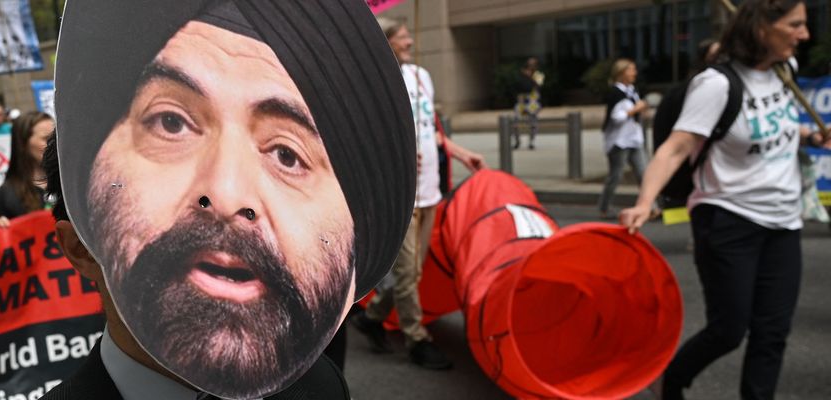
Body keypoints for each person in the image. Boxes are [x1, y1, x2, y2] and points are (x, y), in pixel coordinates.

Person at [48, 0, 417, 397]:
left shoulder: (321, 387)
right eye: (172, 123)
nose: (225, 194)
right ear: (79, 248)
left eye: (286, 155)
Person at [620, 1, 828, 398]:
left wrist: (811, 136)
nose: (804, 34)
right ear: (761, 27)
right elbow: (676, 149)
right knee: (729, 331)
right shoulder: (717, 84)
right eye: (795, 25)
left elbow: (770, 128)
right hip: (729, 219)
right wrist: (645, 202)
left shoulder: (787, 71)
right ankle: (673, 378)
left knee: (772, 334)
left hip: (784, 221)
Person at [351, 17, 487, 371]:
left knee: (415, 272)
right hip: (400, 196)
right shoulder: (374, 83)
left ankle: (372, 316)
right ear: (386, 43)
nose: (410, 41)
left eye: (410, 35)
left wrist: (459, 152)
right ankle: (417, 339)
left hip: (430, 190)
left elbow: (431, 130)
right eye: (402, 37)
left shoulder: (420, 76)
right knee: (409, 273)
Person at [597, 59, 649, 219]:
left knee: (644, 173)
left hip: (634, 138)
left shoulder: (632, 91)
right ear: (621, 73)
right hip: (619, 141)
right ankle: (605, 207)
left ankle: (650, 206)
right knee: (616, 175)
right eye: (630, 70)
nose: (634, 73)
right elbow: (616, 118)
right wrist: (635, 110)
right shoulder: (615, 93)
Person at [0, 111, 54, 225]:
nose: (55, 144)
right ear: (23, 144)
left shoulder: (73, 184)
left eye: (57, 137)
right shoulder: (6, 196)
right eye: (47, 139)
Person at [513, 57, 543, 150]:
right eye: (529, 64)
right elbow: (517, 85)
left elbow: (538, 85)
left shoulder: (539, 75)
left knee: (533, 122)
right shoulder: (522, 73)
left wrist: (529, 76)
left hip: (533, 101)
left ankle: (531, 142)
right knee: (516, 121)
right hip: (521, 100)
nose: (531, 65)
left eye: (533, 64)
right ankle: (517, 141)